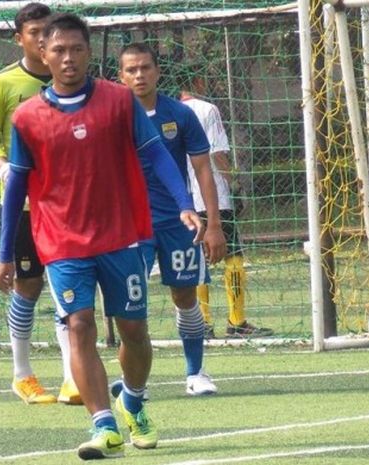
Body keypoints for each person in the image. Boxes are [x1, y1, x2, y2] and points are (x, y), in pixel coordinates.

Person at [0, 13, 204, 460]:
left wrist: (184, 203)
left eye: (76, 50)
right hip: (62, 242)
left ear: (89, 53)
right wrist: (5, 251)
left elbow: (155, 153)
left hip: (122, 235)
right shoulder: (27, 117)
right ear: (43, 54)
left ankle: (132, 397)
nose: (68, 59)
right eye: (59, 51)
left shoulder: (118, 101)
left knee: (134, 331)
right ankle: (104, 424)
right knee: (79, 325)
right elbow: (15, 188)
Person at [0, 3, 81, 405]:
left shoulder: (73, 84)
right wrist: (3, 167)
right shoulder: (1, 84)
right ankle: (22, 374)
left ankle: (73, 376)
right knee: (29, 286)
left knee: (67, 288)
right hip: (22, 206)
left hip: (64, 206)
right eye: (35, 31)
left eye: (47, 31)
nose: (43, 39)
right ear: (18, 37)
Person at [118, 43, 227, 396]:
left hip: (177, 222)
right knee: (131, 304)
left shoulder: (180, 114)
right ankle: (136, 381)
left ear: (157, 71)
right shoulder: (113, 116)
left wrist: (213, 224)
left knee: (184, 294)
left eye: (145, 68)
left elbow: (203, 170)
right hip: (130, 225)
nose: (139, 75)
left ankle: (195, 372)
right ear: (121, 75)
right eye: (131, 70)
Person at [179, 69, 274, 339]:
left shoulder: (172, 112)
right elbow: (217, 153)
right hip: (215, 197)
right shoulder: (208, 109)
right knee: (233, 256)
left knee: (199, 262)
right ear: (198, 81)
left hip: (187, 200)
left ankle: (203, 324)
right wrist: (234, 181)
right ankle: (236, 321)